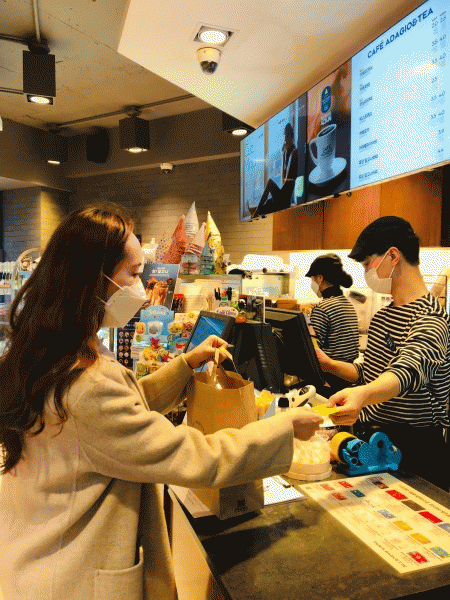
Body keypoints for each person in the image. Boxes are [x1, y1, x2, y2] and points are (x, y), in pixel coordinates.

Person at [0, 204, 323, 600]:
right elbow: (193, 456)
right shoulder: (87, 384)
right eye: (134, 274)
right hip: (72, 579)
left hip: (36, 559)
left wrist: (185, 366)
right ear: (93, 280)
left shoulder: (48, 353)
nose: (143, 287)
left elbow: (121, 417)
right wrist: (281, 428)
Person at [316, 216, 450, 490]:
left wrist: (363, 395)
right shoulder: (383, 316)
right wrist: (328, 364)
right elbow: (369, 372)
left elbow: (406, 372)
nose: (366, 272)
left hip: (415, 451)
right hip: (374, 442)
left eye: (367, 263)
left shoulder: (431, 319)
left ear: (392, 256)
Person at [305, 253, 359, 392]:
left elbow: (313, 351)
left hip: (329, 380)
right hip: (347, 376)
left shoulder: (323, 308)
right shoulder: (348, 304)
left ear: (320, 278)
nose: (312, 283)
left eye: (312, 278)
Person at [253, 122, 298, 217]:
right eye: (285, 137)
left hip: (285, 200)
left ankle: (257, 211)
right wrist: (284, 154)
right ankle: (258, 211)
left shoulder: (294, 152)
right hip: (283, 197)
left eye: (286, 136)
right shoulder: (288, 152)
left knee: (270, 183)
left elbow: (288, 179)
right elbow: (284, 178)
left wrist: (285, 154)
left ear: (290, 137)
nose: (285, 140)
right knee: (269, 202)